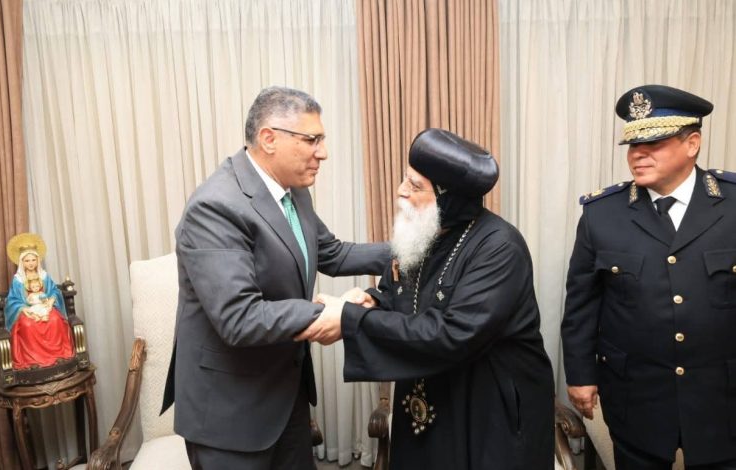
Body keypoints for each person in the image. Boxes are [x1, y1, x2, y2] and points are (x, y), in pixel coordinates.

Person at [161, 86, 391, 470]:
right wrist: (331, 313)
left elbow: (332, 253)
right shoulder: (215, 206)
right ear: (269, 139)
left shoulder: (294, 191)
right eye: (312, 140)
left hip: (285, 397)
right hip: (229, 413)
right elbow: (239, 317)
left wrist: (409, 251)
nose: (323, 152)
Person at [297, 129, 555, 469]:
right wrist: (373, 302)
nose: (401, 191)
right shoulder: (423, 233)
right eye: (405, 179)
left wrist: (349, 319)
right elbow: (400, 295)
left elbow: (452, 333)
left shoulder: (500, 248)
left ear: (450, 199)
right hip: (429, 390)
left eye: (415, 186)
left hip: (486, 407)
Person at [562, 84, 736, 469]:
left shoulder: (734, 205)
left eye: (653, 143)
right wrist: (580, 376)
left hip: (722, 394)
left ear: (692, 144)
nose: (637, 154)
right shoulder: (602, 214)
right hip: (636, 393)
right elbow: (581, 306)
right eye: (632, 145)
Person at [5, 233, 74, 370]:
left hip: (45, 306)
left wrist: (51, 300)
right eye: (27, 260)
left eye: (33, 260)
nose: (30, 263)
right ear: (21, 262)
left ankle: (58, 355)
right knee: (27, 325)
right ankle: (33, 360)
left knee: (55, 320)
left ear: (38, 260)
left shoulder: (44, 275)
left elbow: (54, 291)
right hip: (28, 309)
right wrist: (23, 308)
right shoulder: (18, 279)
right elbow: (12, 300)